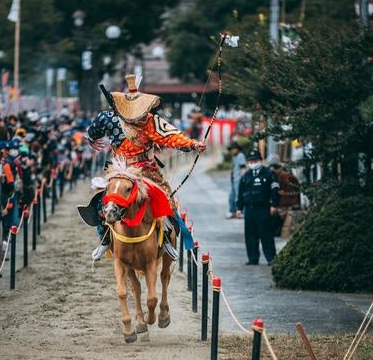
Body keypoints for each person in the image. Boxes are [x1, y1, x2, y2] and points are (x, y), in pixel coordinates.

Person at [82, 74, 206, 261]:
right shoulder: (108, 118)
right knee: (103, 200)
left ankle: (165, 236)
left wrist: (193, 144)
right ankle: (105, 239)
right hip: (119, 167)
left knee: (164, 197)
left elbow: (171, 136)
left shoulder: (150, 121)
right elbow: (93, 130)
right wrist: (92, 139)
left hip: (145, 168)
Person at [236, 149, 280, 265]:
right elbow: (241, 193)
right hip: (250, 209)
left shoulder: (269, 174)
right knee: (250, 235)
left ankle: (271, 258)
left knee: (266, 234)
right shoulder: (246, 176)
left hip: (263, 208)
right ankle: (253, 258)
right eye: (250, 161)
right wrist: (239, 208)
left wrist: (274, 204)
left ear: (260, 160)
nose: (253, 162)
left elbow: (275, 190)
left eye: (255, 160)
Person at [267, 155, 301, 236]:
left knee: (274, 214)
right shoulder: (276, 177)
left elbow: (289, 196)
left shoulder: (285, 177)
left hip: (288, 204)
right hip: (282, 203)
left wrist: (275, 205)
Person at [226, 141, 246, 219]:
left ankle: (241, 212)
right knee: (232, 196)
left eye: (232, 149)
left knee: (239, 196)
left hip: (239, 179)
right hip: (235, 179)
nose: (231, 151)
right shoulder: (234, 156)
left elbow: (243, 167)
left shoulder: (241, 155)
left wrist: (243, 178)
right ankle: (233, 211)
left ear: (236, 149)